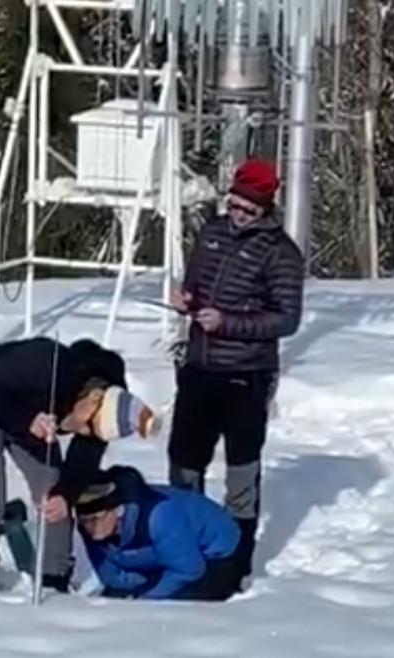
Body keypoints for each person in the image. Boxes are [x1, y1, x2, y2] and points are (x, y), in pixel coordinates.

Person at [168, 159, 305, 584]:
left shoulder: (282, 253)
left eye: (250, 210)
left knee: (241, 469)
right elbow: (195, 286)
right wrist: (185, 300)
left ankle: (236, 561)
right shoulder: (211, 233)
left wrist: (226, 322)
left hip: (247, 374)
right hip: (198, 367)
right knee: (184, 461)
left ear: (266, 210)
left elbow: (286, 319)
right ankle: (185, 543)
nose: (240, 216)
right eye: (235, 206)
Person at [0, 336, 157, 592]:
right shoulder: (43, 362)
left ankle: (54, 574)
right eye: (83, 426)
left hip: (35, 417)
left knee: (52, 487)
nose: (79, 433)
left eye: (89, 433)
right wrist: (26, 419)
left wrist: (65, 494)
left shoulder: (109, 410)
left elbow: (81, 464)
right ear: (92, 398)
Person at [76, 465, 242, 601]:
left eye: (95, 519)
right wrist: (140, 585)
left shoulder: (159, 516)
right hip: (164, 563)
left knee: (177, 606)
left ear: (118, 511)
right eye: (84, 520)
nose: (90, 527)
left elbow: (190, 569)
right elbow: (113, 577)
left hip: (215, 554)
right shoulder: (93, 531)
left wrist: (148, 597)